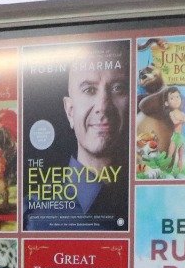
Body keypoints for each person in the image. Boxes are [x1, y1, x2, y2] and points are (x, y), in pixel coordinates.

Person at [25, 46, 130, 228]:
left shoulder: (155, 200)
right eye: (89, 90)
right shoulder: (32, 216)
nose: (103, 107)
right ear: (70, 111)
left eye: (118, 88)